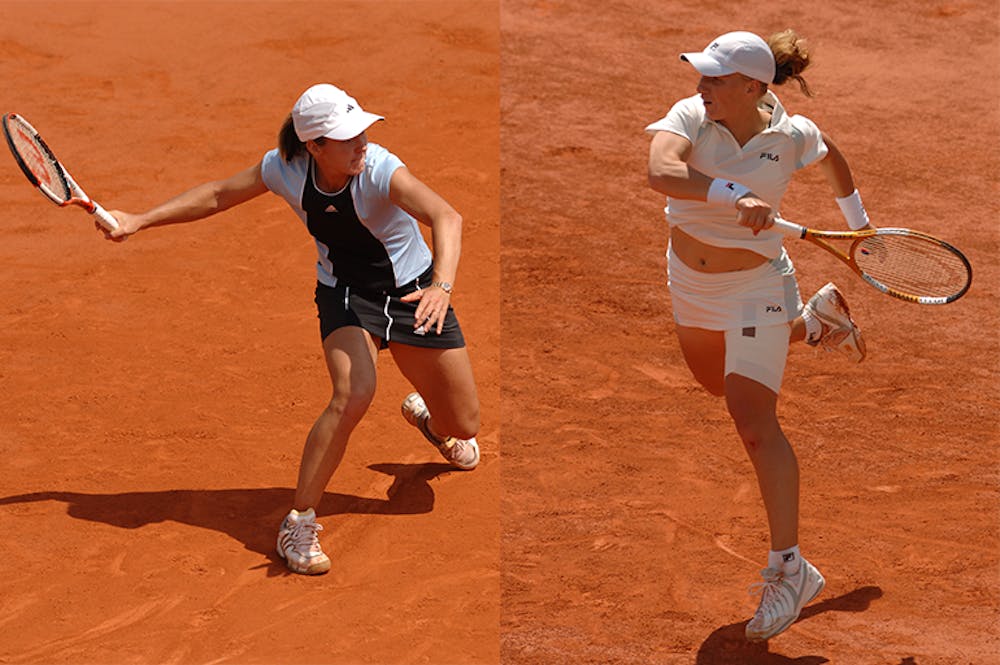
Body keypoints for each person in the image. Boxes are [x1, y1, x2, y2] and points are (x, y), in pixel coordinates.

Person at [100, 84, 482, 575]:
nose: (362, 142)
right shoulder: (285, 169)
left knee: (465, 428)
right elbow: (219, 195)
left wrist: (442, 286)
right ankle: (298, 522)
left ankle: (432, 422)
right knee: (353, 393)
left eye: (362, 131)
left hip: (415, 298)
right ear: (313, 147)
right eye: (347, 138)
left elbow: (446, 216)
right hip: (346, 297)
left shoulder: (382, 169)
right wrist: (140, 220)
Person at [645, 30, 872, 641]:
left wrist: (858, 227)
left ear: (752, 87)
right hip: (690, 283)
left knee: (751, 420)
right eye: (701, 76)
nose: (701, 87)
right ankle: (818, 323)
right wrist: (730, 191)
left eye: (715, 79)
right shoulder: (690, 116)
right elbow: (661, 170)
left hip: (758, 284)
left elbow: (833, 158)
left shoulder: (793, 135)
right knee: (715, 384)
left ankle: (789, 569)